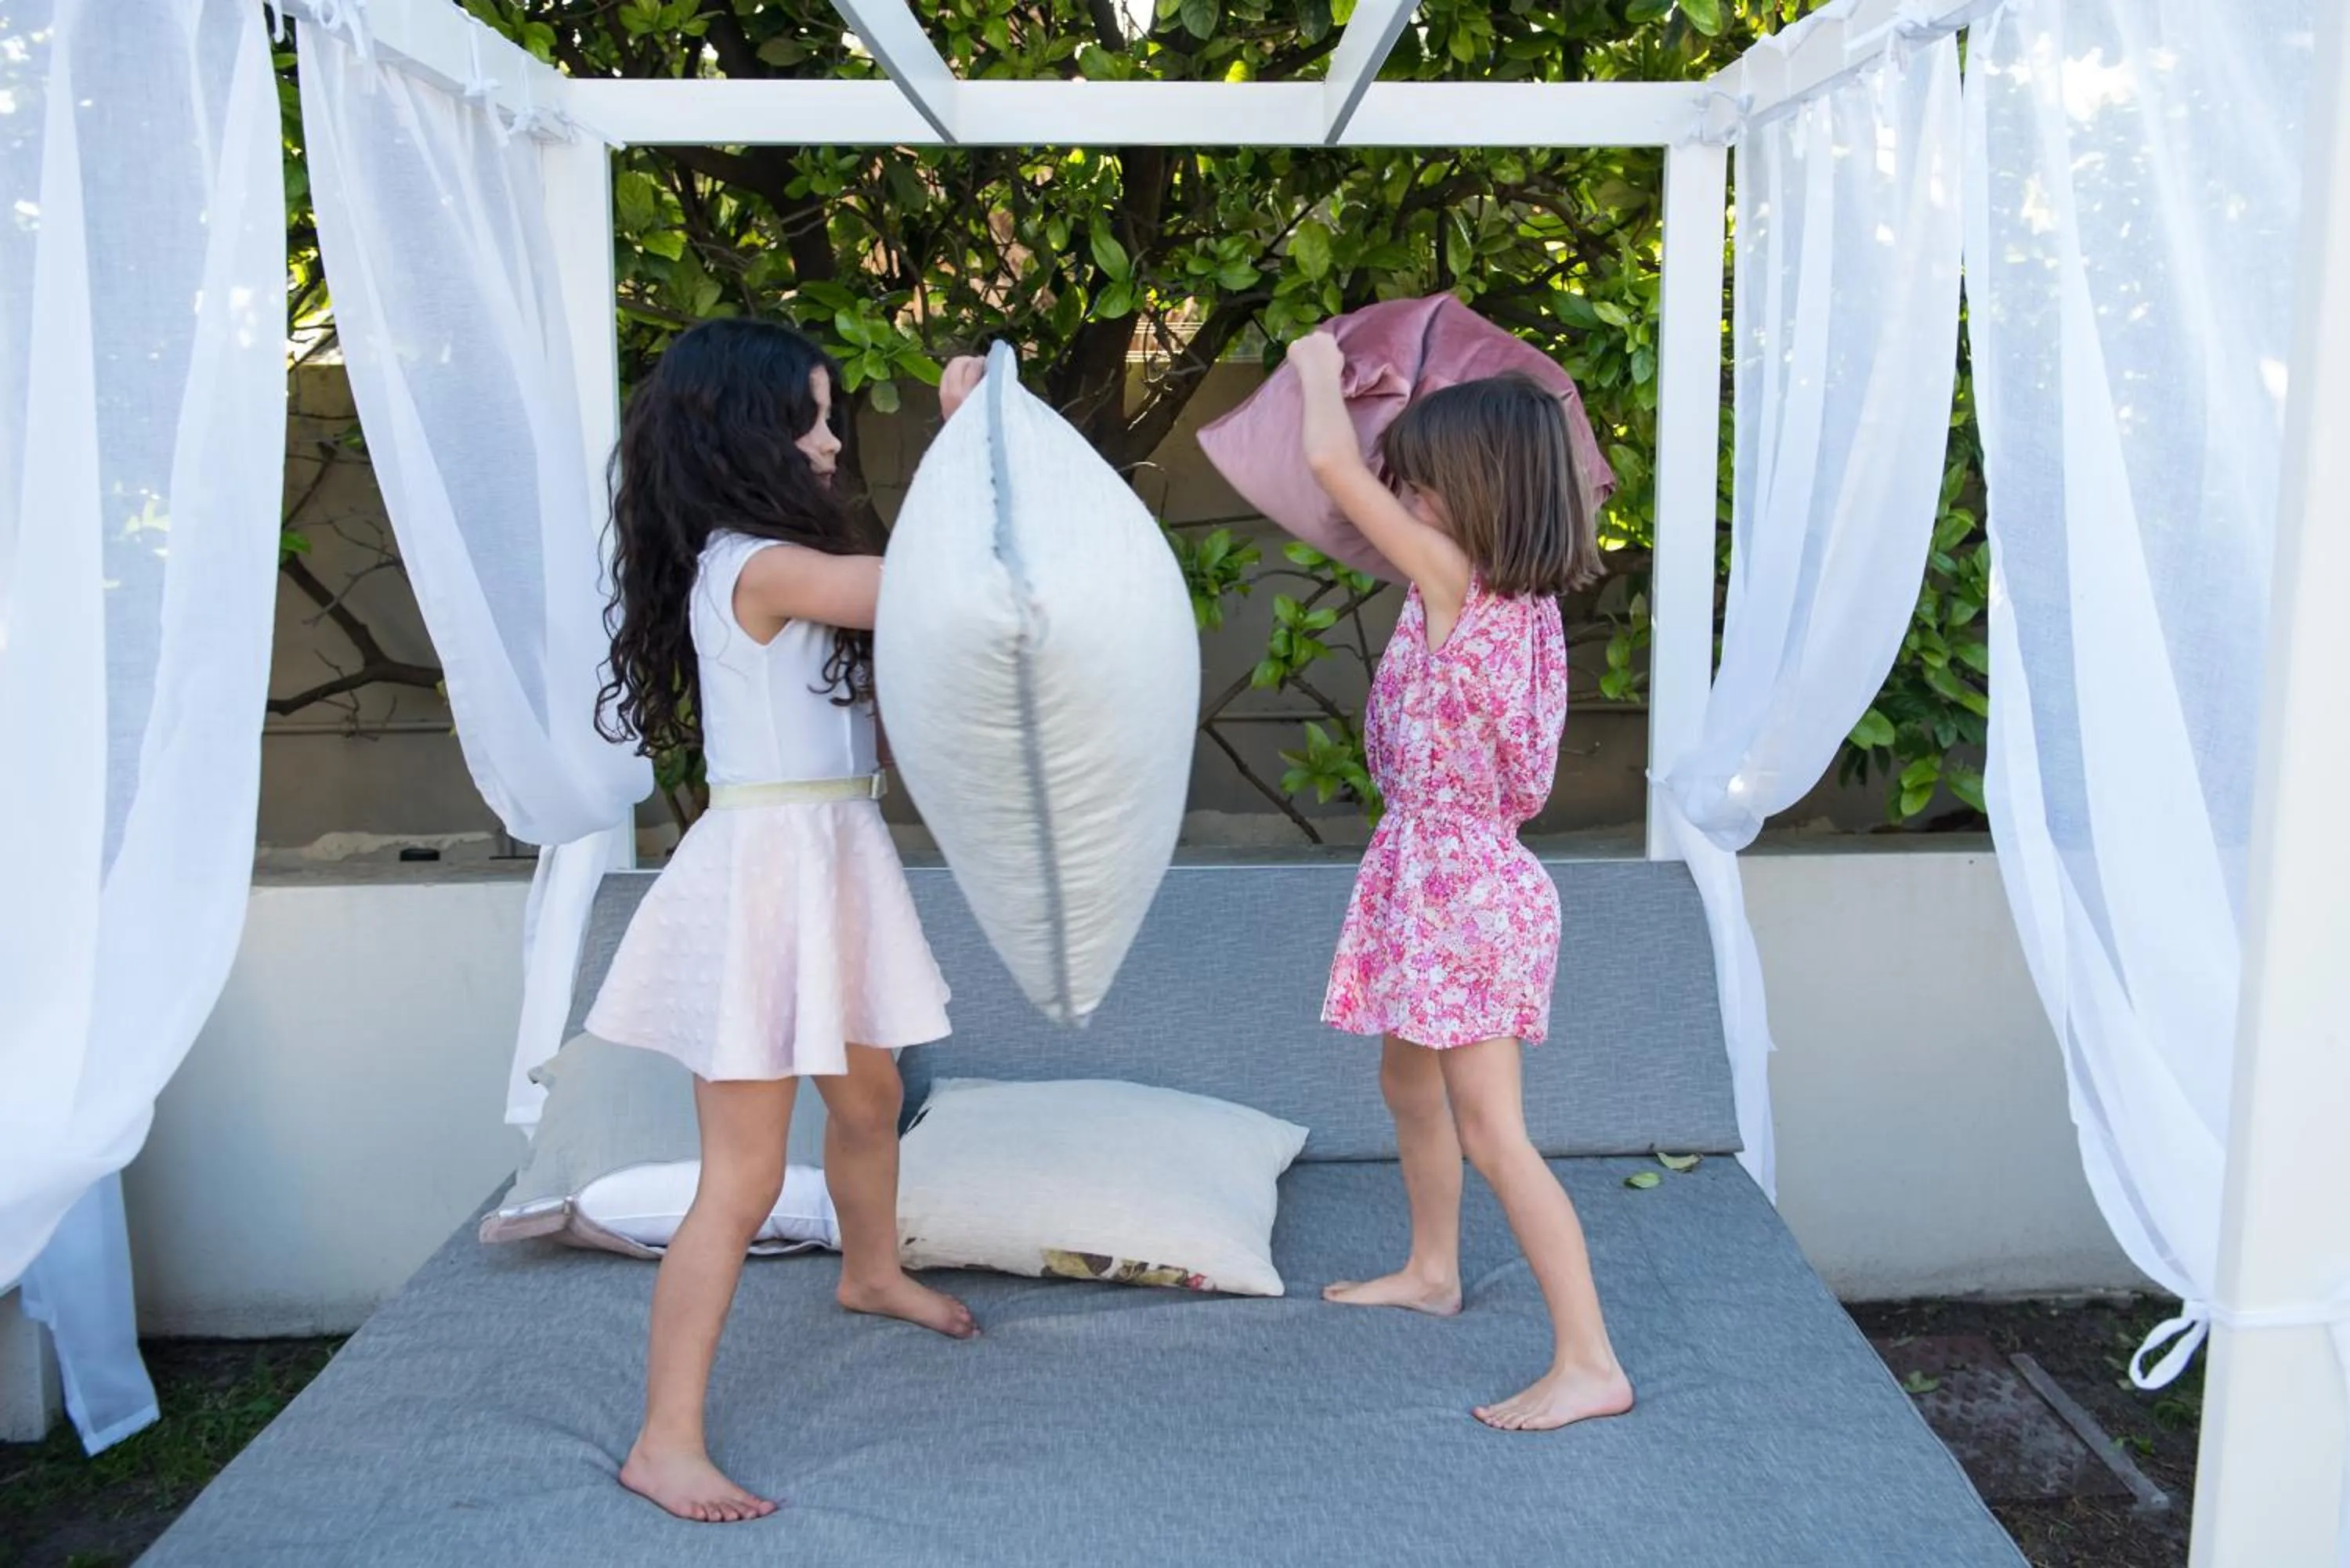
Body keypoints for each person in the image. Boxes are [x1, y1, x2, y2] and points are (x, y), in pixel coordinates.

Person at [586, 318, 988, 1521]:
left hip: (831, 854)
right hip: (769, 878)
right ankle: (666, 1440)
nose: (827, 444)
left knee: (868, 1098)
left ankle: (869, 1271)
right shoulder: (751, 565)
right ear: (739, 442)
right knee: (745, 1175)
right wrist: (962, 440)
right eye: (807, 421)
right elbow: (919, 587)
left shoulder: (775, 561)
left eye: (831, 420)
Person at [1292, 330, 1636, 1433]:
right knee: (1407, 1080)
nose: (1402, 497)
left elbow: (1333, 468)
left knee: (1494, 1129)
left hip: (1463, 889)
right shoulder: (1507, 599)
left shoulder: (1457, 584)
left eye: (1421, 483)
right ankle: (1432, 1266)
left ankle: (1589, 1357)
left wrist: (1313, 370)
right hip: (1435, 874)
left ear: (1472, 496)